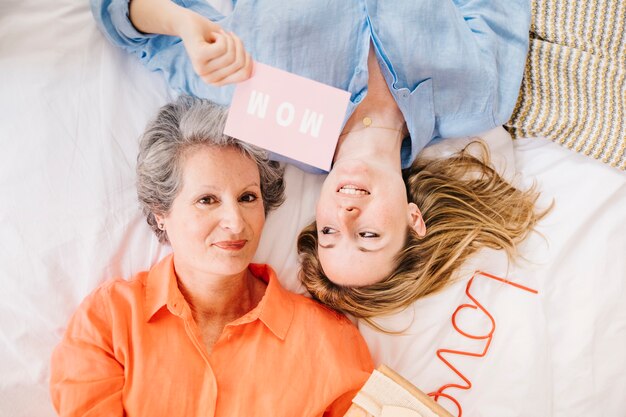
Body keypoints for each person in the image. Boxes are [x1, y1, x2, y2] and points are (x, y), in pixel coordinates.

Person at [49, 96, 374, 416]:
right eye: (207, 200)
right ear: (161, 211)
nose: (235, 222)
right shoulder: (107, 322)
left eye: (248, 197)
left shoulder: (330, 343)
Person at [298, 140, 550, 325]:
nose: (345, 214)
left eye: (329, 231)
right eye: (367, 235)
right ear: (413, 218)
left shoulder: (286, 128)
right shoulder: (472, 104)